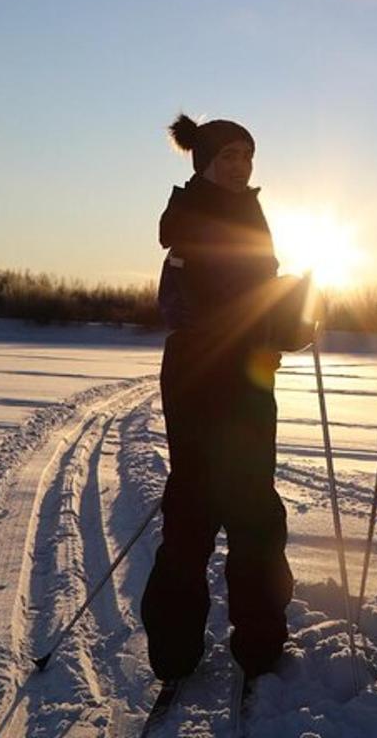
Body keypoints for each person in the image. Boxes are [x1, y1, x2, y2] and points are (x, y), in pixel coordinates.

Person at [142, 113, 311, 685]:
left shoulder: (252, 218)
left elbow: (262, 300)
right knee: (192, 511)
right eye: (228, 157)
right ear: (205, 162)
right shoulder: (189, 218)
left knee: (254, 511)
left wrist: (291, 322)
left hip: (248, 379)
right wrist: (248, 327)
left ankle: (260, 643)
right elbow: (177, 308)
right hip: (198, 379)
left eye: (246, 156)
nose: (240, 167)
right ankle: (173, 651)